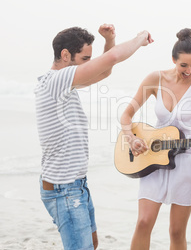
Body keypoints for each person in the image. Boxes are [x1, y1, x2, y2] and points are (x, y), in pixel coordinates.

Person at [35, 24, 153, 250]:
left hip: (76, 186)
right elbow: (112, 58)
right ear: (65, 55)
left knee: (92, 243)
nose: (89, 64)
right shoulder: (56, 81)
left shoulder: (64, 84)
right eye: (85, 58)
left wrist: (110, 40)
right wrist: (140, 38)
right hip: (64, 190)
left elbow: (105, 70)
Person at [120, 28, 191, 250]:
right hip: (154, 157)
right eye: (183, 65)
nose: (189, 71)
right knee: (143, 222)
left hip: (188, 160)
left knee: (176, 231)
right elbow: (126, 115)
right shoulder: (155, 78)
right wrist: (131, 138)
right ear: (173, 60)